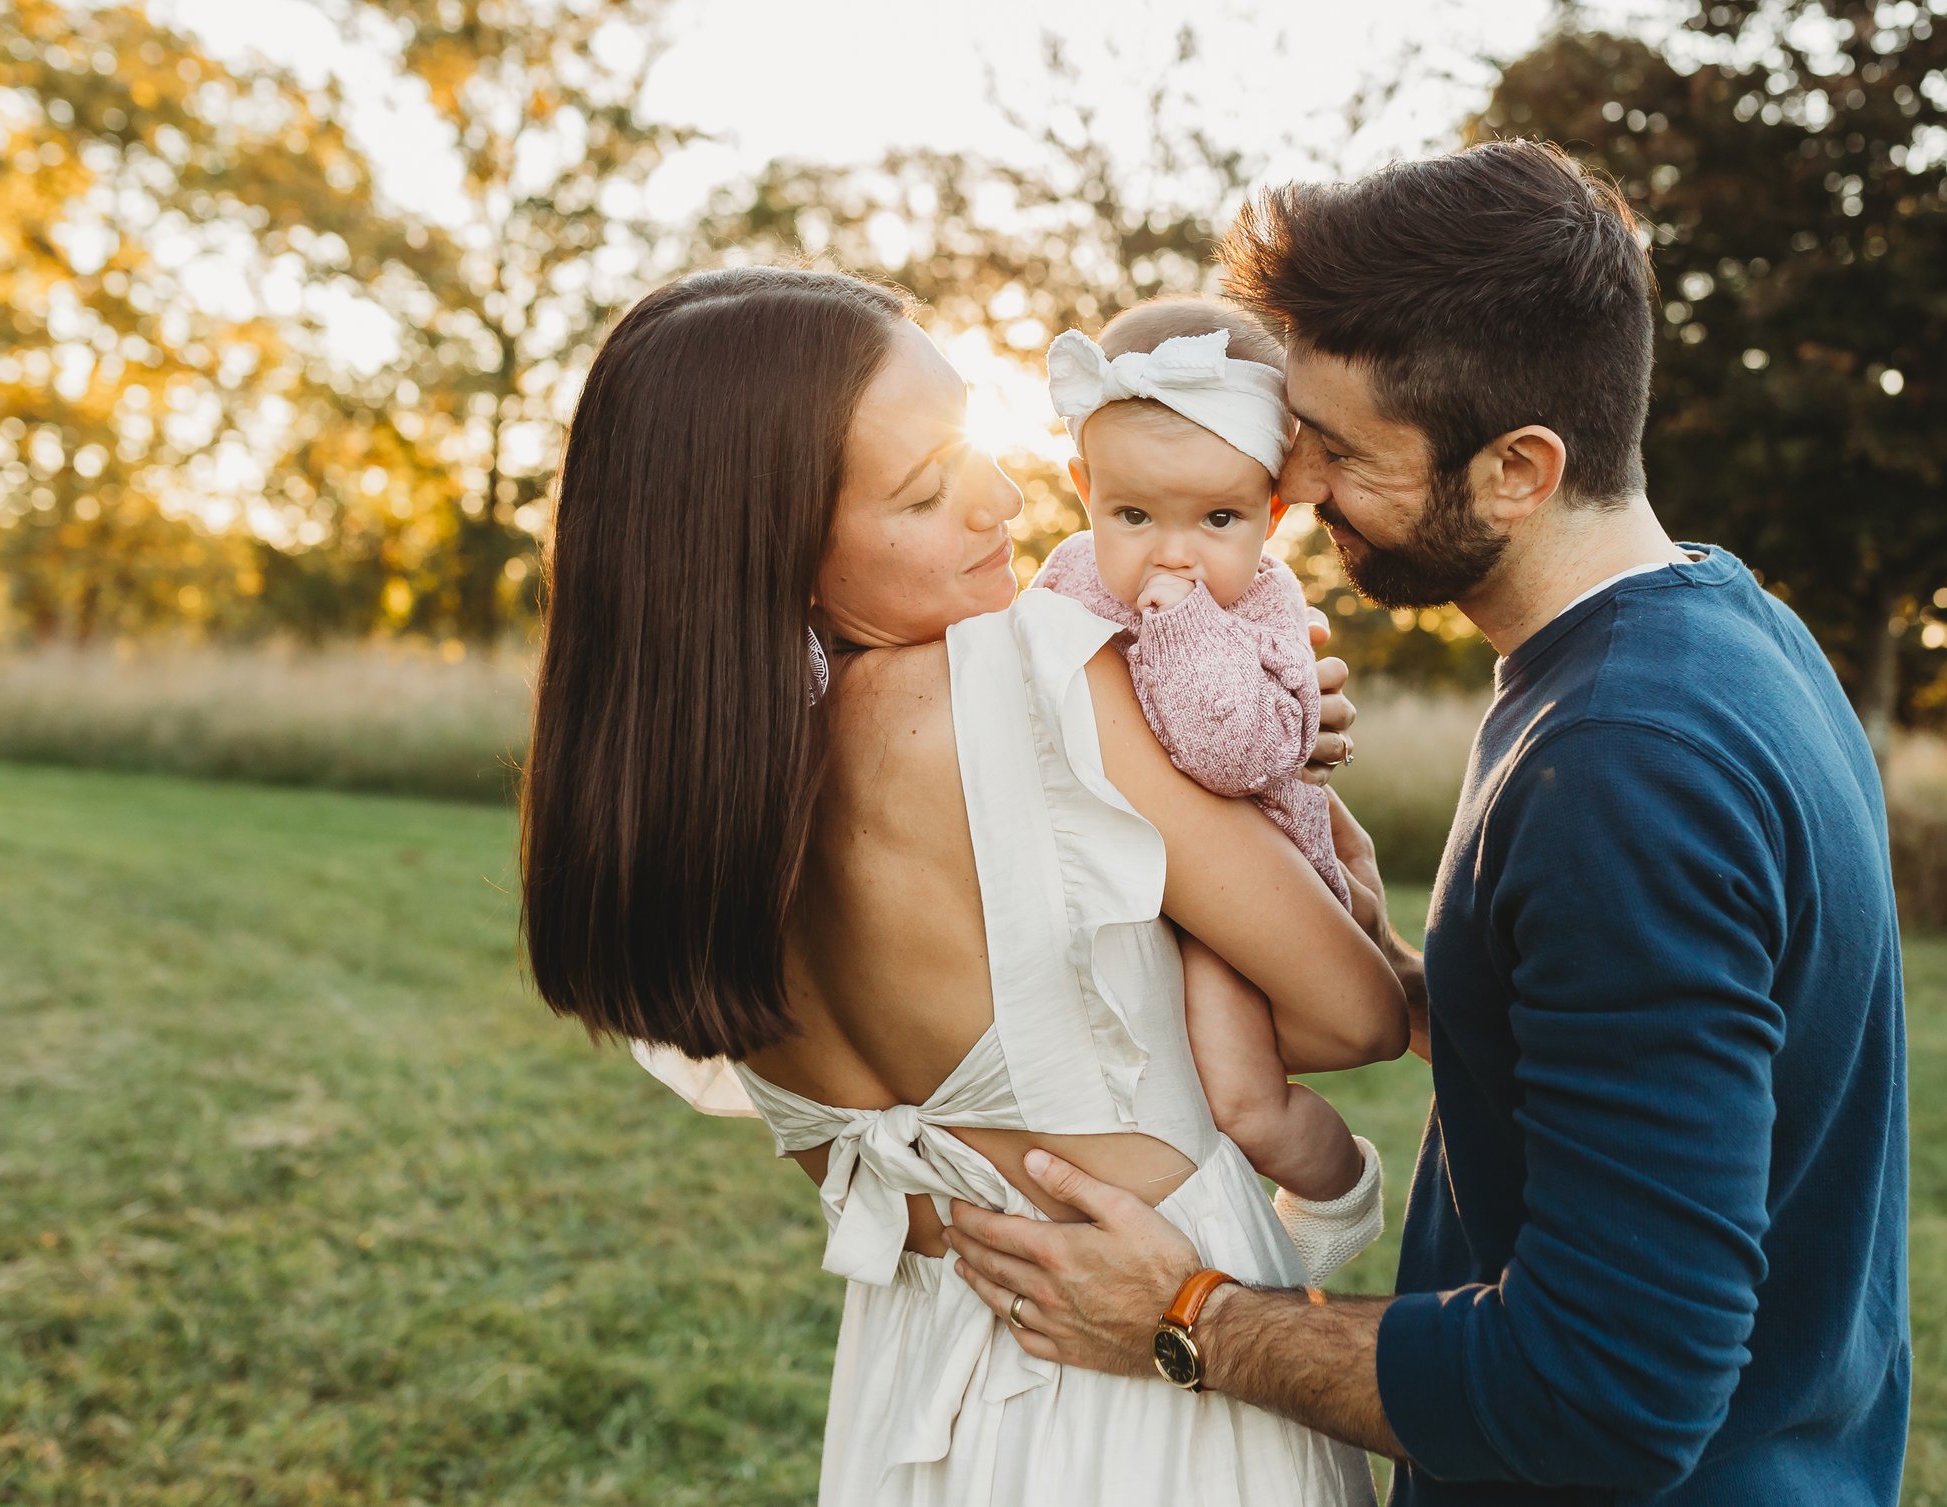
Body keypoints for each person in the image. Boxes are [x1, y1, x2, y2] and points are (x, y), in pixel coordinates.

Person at [945, 140, 1913, 1506]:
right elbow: (1663, 1035)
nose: (1301, 486)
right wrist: (1418, 983)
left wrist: (1189, 1311)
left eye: (1342, 450)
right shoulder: (1727, 632)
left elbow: (1603, 1397)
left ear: (1518, 465)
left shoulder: (1628, 764)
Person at [518, 265, 1411, 1506]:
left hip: (911, 1415)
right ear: (782, 548)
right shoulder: (1038, 676)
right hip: (1152, 1409)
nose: (1005, 492)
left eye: (974, 438)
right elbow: (1353, 1014)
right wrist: (1333, 855)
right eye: (928, 488)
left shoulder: (683, 823)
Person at [1033, 297, 1386, 1288]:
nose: (1172, 550)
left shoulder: (1265, 605)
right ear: (1084, 489)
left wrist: (1183, 624)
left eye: (1218, 518)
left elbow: (1227, 755)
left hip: (1242, 889)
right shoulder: (1067, 580)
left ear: (1271, 516)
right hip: (1127, 877)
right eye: (1132, 513)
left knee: (1241, 1098)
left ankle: (1335, 1184)